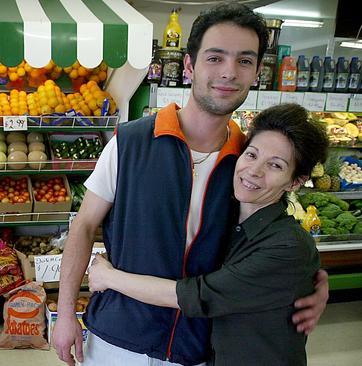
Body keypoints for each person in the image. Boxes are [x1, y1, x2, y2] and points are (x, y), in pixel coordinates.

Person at [52, 3, 329, 366]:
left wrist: (313, 284)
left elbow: (271, 239)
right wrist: (66, 312)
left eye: (245, 61)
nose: (229, 72)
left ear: (258, 72)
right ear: (188, 66)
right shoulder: (130, 143)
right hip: (116, 342)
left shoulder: (247, 164)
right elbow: (84, 226)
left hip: (197, 349)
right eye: (215, 58)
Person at [88, 103, 328, 366]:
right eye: (251, 155)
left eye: (275, 165)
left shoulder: (287, 245)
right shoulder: (233, 216)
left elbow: (199, 296)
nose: (254, 171)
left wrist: (109, 277)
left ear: (295, 181)